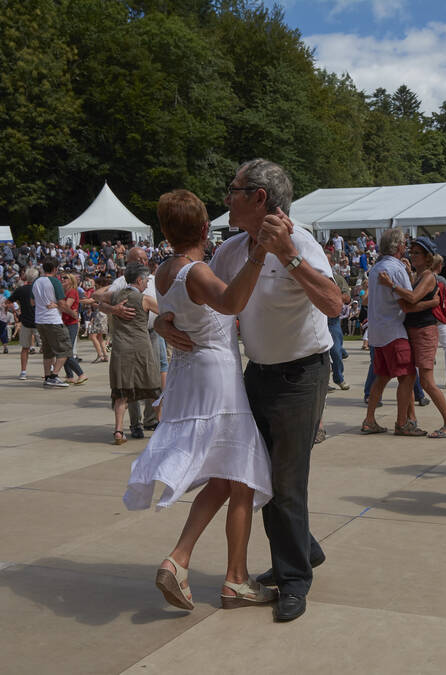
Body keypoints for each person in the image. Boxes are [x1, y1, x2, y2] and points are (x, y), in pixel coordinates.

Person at [157, 159, 341, 623]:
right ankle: (302, 550)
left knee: (284, 481)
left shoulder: (301, 242)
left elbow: (334, 303)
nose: (226, 198)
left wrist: (289, 256)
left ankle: (294, 580)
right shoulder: (233, 249)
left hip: (302, 374)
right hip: (256, 373)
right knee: (256, 474)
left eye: (233, 189)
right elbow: (203, 301)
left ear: (258, 197)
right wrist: (164, 320)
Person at [124, 189, 276, 610]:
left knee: (227, 476)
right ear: (206, 229)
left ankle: (179, 560)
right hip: (216, 379)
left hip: (192, 376)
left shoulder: (164, 270)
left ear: (166, 231)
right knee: (241, 475)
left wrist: (160, 324)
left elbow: (169, 310)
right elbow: (229, 302)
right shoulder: (195, 272)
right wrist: (258, 254)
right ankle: (236, 579)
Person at [379, 237, 446, 439]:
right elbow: (408, 305)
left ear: (427, 257)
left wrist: (391, 285)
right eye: (411, 252)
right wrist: (428, 302)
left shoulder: (429, 277)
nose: (412, 255)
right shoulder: (417, 276)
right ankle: (407, 421)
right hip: (413, 330)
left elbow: (412, 300)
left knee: (426, 381)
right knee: (409, 378)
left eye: (417, 253)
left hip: (424, 332)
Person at [361, 228, 425, 437]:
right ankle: (402, 422)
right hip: (394, 330)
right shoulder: (395, 269)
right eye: (404, 244)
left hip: (378, 331)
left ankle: (369, 420)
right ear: (399, 247)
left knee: (381, 376)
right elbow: (407, 302)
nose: (406, 248)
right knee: (407, 377)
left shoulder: (376, 267)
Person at [109, 263, 161, 444]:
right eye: (146, 280)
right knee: (154, 388)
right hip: (141, 348)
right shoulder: (144, 299)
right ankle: (163, 426)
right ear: (139, 280)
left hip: (120, 348)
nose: (147, 284)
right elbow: (166, 312)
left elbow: (97, 300)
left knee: (122, 391)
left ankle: (118, 431)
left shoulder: (115, 296)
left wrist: (113, 309)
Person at [32, 258, 78, 388]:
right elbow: (63, 304)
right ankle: (54, 376)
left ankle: (47, 376)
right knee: (66, 349)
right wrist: (73, 313)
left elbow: (32, 302)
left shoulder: (36, 281)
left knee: (47, 351)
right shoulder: (55, 282)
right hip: (53, 320)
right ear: (55, 269)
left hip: (40, 319)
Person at [8, 268, 39, 379]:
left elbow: (7, 302)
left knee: (25, 348)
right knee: (46, 347)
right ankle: (49, 370)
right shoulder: (38, 289)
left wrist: (16, 311)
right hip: (39, 321)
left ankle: (23, 372)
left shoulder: (21, 289)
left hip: (25, 321)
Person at [327, 254, 351, 391]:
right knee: (318, 355)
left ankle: (338, 378)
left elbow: (347, 298)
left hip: (332, 320)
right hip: (315, 319)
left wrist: (331, 295)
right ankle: (324, 382)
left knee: (336, 351)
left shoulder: (338, 279)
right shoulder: (312, 276)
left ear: (331, 263)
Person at [432, 254, 446, 389]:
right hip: (439, 318)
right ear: (439, 266)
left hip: (426, 319)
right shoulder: (440, 279)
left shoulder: (421, 277)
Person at [60, 273, 88, 385]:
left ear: (71, 281)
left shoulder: (72, 291)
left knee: (67, 351)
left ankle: (81, 374)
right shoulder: (64, 292)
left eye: (65, 278)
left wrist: (55, 305)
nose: (62, 279)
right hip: (65, 322)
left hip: (71, 323)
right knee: (64, 350)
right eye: (62, 278)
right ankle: (70, 376)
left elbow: (66, 306)